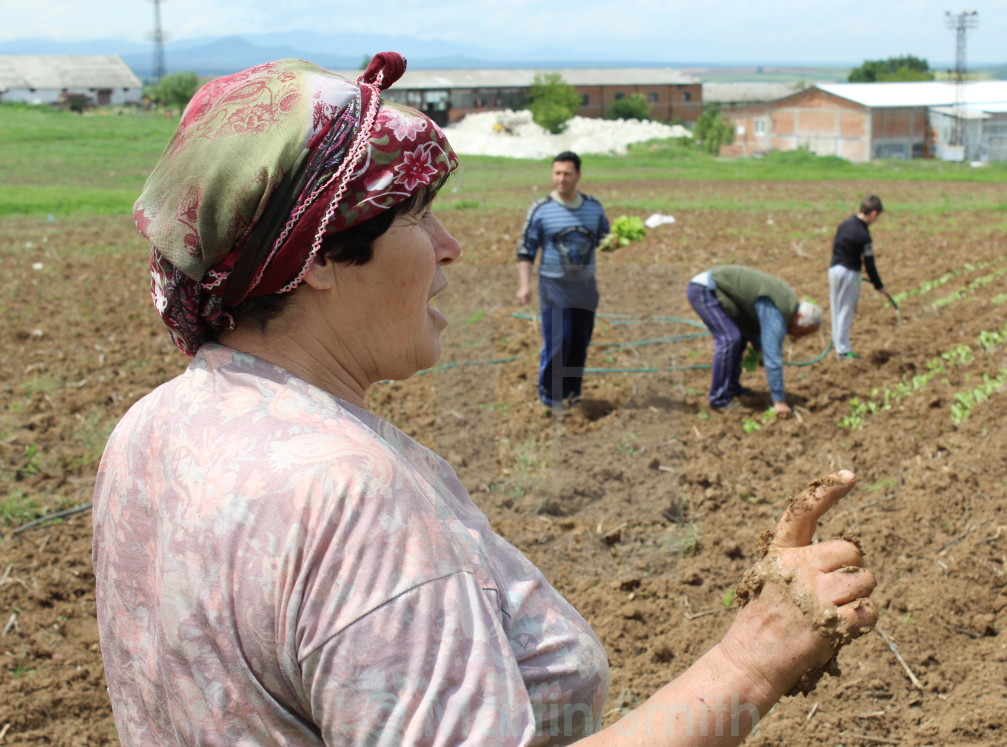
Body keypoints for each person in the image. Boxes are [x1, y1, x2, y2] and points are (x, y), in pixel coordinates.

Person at [93, 55, 876, 746]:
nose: (448, 245)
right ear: (320, 257)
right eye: (416, 214)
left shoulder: (149, 430)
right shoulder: (349, 497)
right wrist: (751, 663)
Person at [515, 151, 610, 409]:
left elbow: (604, 240)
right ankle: (550, 396)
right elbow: (526, 250)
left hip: (586, 287)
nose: (561, 179)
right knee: (559, 341)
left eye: (567, 173)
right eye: (557, 173)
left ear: (578, 175)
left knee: (579, 342)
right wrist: (525, 285)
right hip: (554, 286)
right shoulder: (541, 209)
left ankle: (572, 393)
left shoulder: (593, 207)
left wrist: (618, 240)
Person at [687, 265, 823, 416]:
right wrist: (779, 401)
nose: (797, 337)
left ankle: (732, 388)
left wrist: (759, 347)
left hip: (723, 293)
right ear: (799, 317)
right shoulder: (778, 312)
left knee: (740, 337)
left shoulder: (786, 303)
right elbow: (772, 356)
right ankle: (719, 399)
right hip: (705, 290)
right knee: (729, 339)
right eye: (801, 333)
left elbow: (755, 327)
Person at [828, 195, 889, 360]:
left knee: (836, 309)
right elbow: (869, 264)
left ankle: (838, 346)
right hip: (850, 273)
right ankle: (843, 350)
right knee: (846, 311)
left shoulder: (845, 224)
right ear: (874, 213)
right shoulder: (863, 234)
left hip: (834, 269)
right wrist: (878, 285)